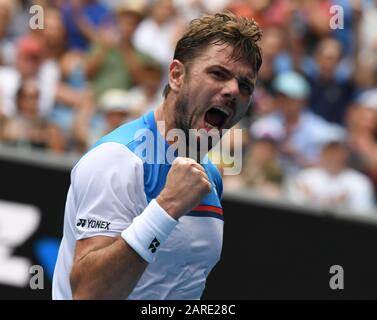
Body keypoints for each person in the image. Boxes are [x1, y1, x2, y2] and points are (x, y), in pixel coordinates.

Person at [52, 12, 262, 300]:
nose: (232, 91)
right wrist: (166, 207)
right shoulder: (117, 159)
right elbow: (89, 293)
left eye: (245, 86)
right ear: (176, 75)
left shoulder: (209, 176)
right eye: (218, 73)